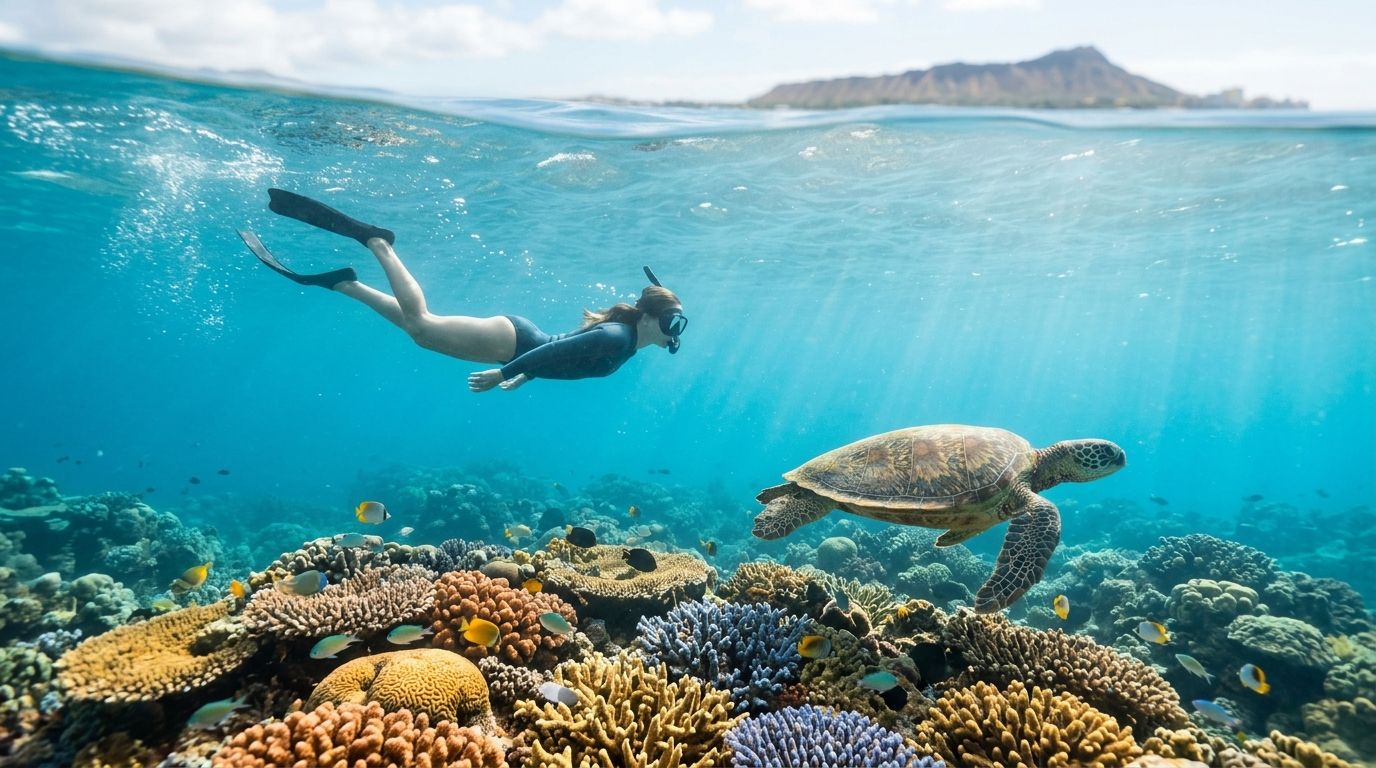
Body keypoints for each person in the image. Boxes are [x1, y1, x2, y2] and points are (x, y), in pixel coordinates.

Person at [238, 189, 686, 392]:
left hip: (517, 346)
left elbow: (566, 349)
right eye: (671, 321)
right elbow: (552, 352)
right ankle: (378, 243)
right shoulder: (619, 337)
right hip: (513, 342)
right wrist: (508, 373)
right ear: (649, 317)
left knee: (422, 333)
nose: (674, 331)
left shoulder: (626, 341)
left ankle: (345, 283)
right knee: (423, 323)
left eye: (677, 325)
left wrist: (523, 375)